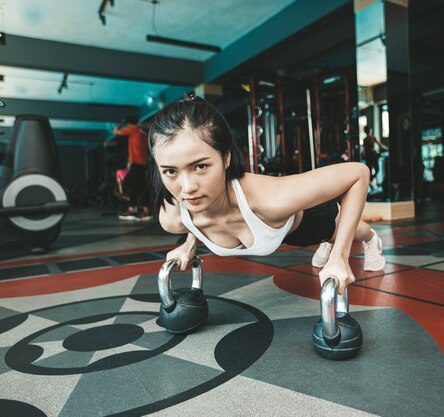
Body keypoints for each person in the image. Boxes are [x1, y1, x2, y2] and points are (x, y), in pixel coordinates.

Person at [149, 96, 386, 295]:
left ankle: (372, 239)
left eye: (200, 166)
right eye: (170, 171)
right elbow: (198, 213)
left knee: (355, 231)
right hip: (270, 223)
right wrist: (189, 243)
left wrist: (340, 255)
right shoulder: (172, 217)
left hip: (306, 222)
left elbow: (358, 173)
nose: (187, 187)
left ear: (226, 157)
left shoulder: (273, 199)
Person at [113, 115, 152, 221]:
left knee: (138, 186)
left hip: (136, 163)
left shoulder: (133, 129)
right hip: (143, 163)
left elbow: (116, 132)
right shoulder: (142, 132)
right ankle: (132, 209)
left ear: (129, 124)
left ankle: (146, 211)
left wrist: (120, 123)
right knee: (133, 185)